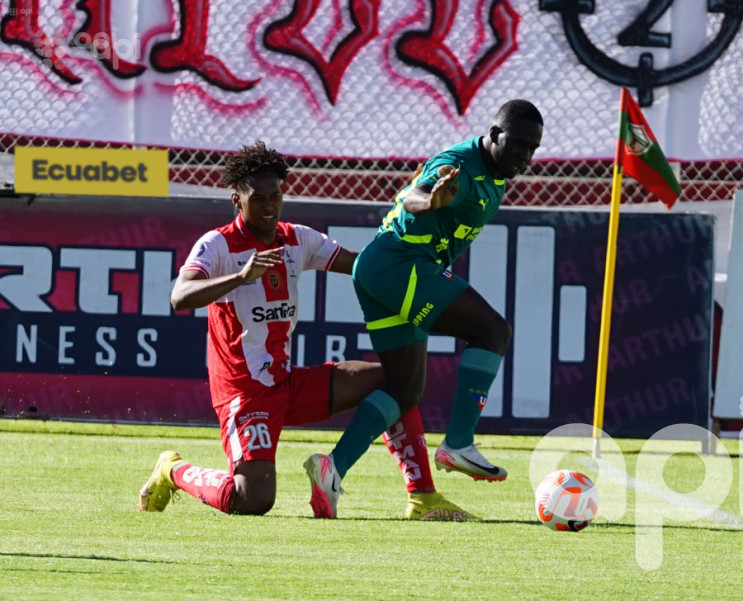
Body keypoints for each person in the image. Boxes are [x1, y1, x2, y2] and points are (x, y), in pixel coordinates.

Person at [138, 141, 476, 521]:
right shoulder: (218, 245)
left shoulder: (297, 238)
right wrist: (240, 276)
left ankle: (423, 497)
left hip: (287, 382)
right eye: (258, 199)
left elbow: (365, 267)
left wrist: (413, 214)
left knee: (399, 382)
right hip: (245, 395)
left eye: (275, 196)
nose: (268, 207)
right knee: (253, 499)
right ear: (236, 200)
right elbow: (179, 297)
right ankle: (172, 469)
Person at [304, 99, 544, 517]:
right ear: (493, 133)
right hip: (400, 266)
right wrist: (430, 200)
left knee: (404, 387)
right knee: (492, 331)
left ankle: (332, 469)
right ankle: (459, 443)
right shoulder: (460, 165)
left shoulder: (497, 174)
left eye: (533, 149)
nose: (525, 156)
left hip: (380, 271)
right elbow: (416, 195)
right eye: (518, 144)